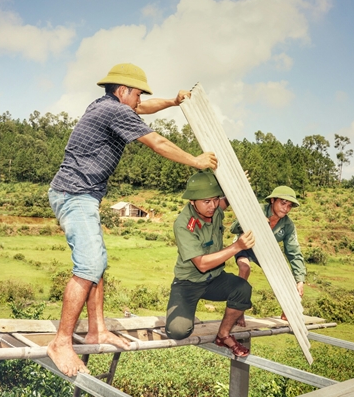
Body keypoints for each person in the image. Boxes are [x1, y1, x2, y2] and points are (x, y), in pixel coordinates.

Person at [47, 63, 217, 377]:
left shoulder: (106, 105)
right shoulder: (114, 112)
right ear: (122, 90)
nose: (140, 100)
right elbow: (159, 143)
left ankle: (97, 329)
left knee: (97, 260)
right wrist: (197, 161)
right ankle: (60, 342)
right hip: (74, 195)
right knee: (88, 266)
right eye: (137, 92)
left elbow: (144, 107)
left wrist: (173, 102)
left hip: (78, 194)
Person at [165, 171, 255, 357]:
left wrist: (237, 184)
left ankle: (223, 334)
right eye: (207, 201)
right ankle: (184, 309)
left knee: (243, 288)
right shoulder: (184, 224)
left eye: (215, 199)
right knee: (178, 331)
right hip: (188, 283)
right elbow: (202, 265)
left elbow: (225, 201)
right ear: (192, 201)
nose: (213, 206)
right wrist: (237, 246)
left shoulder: (214, 209)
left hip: (214, 279)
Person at [231, 185, 306, 325]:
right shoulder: (257, 209)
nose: (286, 208)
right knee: (244, 268)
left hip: (265, 250)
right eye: (283, 203)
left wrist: (299, 279)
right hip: (245, 245)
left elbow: (294, 252)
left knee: (285, 274)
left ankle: (288, 310)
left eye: (289, 205)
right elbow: (233, 227)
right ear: (272, 200)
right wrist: (254, 221)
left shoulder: (288, 224)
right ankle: (237, 311)